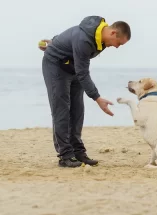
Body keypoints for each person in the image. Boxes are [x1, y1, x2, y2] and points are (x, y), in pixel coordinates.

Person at [38, 16, 131, 168]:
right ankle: (65, 156)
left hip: (73, 67)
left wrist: (55, 40)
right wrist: (97, 98)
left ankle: (78, 152)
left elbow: (70, 37)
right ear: (113, 33)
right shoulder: (85, 40)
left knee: (77, 111)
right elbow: (83, 72)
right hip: (55, 66)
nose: (117, 47)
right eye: (119, 43)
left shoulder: (99, 36)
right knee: (62, 110)